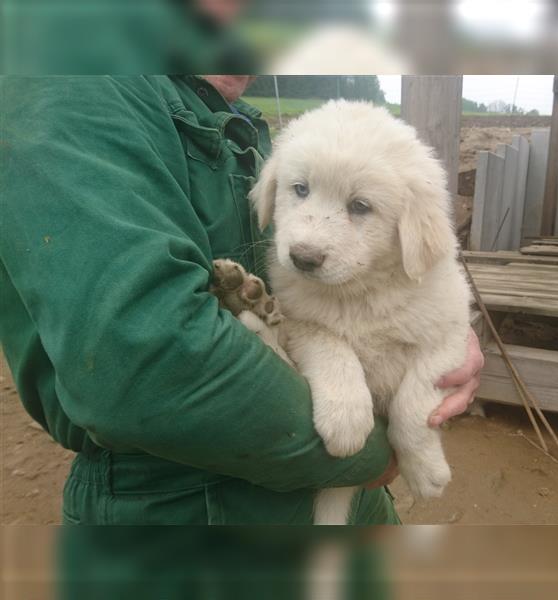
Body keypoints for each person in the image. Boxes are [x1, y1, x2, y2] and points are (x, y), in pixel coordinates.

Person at [0, 75, 484, 526]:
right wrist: (376, 456)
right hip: (184, 506)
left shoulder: (239, 121)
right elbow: (139, 359)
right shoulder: (74, 90)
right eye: (299, 190)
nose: (307, 240)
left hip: (336, 481)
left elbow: (435, 306)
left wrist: (440, 360)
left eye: (359, 207)